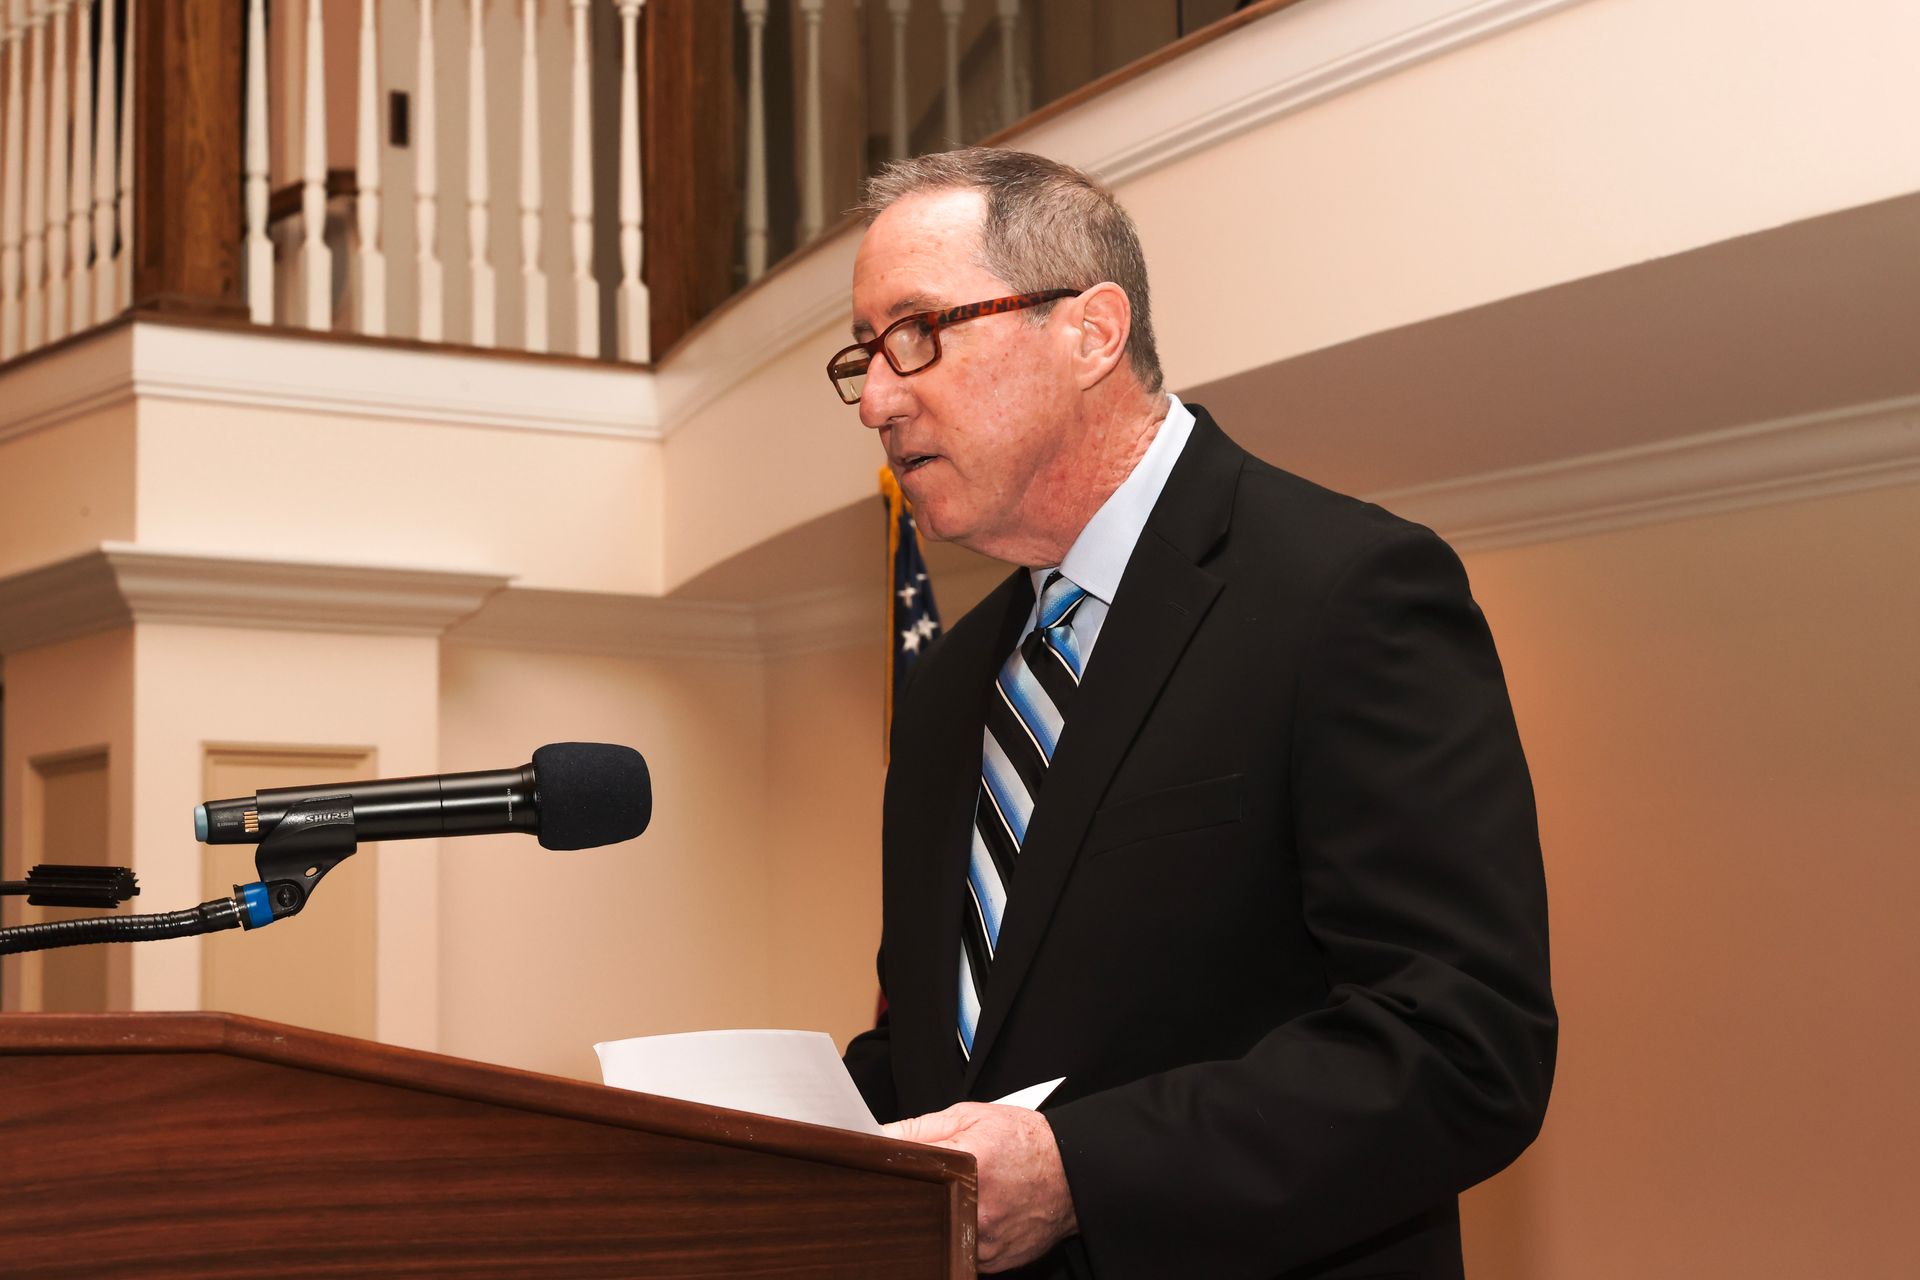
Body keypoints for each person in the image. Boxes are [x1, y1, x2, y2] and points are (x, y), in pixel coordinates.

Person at [834, 148, 1555, 1280]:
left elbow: (1461, 1046)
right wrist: (759, 1140)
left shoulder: (1345, 591)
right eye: (864, 355)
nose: (877, 397)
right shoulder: (948, 693)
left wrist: (1080, 1169)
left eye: (918, 331)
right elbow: (939, 1050)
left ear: (1092, 330)